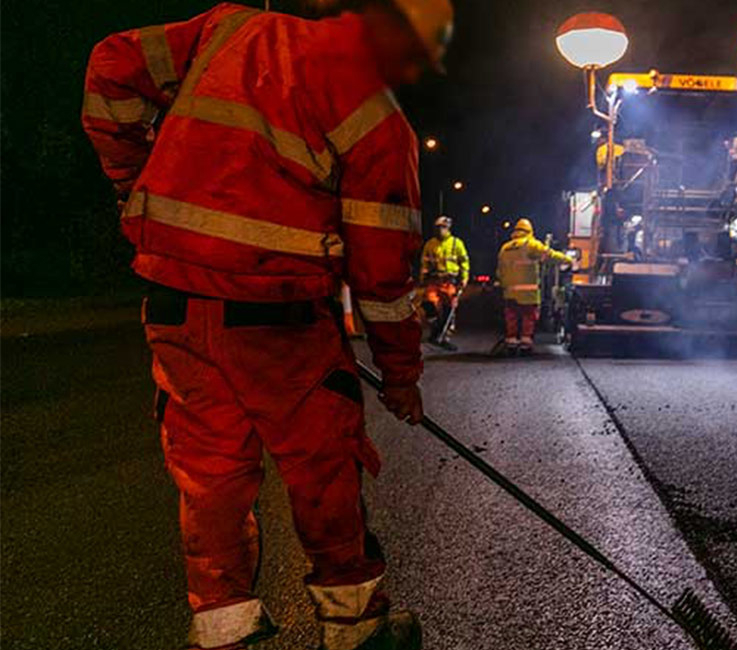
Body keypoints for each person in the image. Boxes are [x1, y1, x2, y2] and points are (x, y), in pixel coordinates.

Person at [82, 0, 452, 648]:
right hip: (281, 323)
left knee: (210, 475)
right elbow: (382, 275)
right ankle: (357, 630)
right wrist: (400, 376)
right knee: (323, 473)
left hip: (177, 303)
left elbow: (111, 67)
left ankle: (222, 626)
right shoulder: (374, 117)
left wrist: (132, 181)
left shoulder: (227, 29)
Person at [496, 218, 573, 355]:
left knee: (511, 317)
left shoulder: (505, 247)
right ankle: (525, 344)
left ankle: (511, 344)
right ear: (529, 231)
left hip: (509, 292)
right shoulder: (530, 244)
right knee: (528, 317)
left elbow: (499, 271)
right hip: (528, 293)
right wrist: (568, 259)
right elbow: (549, 255)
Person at [419, 216, 468, 349]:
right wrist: (423, 277)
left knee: (449, 309)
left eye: (443, 227)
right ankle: (436, 328)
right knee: (428, 303)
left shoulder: (456, 243)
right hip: (434, 280)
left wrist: (464, 278)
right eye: (438, 227)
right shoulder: (430, 244)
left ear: (448, 228)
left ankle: (444, 336)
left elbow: (464, 262)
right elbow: (425, 262)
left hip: (449, 281)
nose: (440, 230)